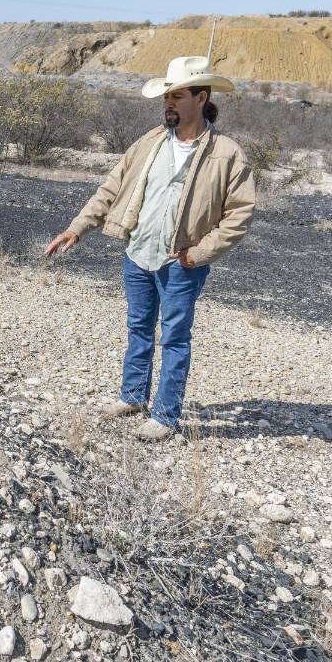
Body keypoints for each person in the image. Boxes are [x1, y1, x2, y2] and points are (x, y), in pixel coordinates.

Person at [44, 56, 256, 441]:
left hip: (182, 263)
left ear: (201, 97)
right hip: (138, 253)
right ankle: (133, 396)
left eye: (176, 95)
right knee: (139, 328)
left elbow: (239, 215)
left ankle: (165, 415)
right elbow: (111, 188)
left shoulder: (226, 153)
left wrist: (199, 253)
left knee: (174, 337)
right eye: (166, 96)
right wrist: (78, 228)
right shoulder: (149, 142)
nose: (168, 103)